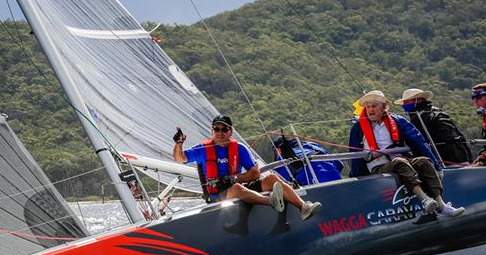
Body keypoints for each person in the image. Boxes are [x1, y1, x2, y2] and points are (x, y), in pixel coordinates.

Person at [173, 114, 322, 220]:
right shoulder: (202, 149)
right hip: (217, 195)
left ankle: (304, 207)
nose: (220, 133)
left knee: (271, 178)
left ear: (230, 131)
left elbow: (255, 173)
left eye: (224, 129)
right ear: (212, 131)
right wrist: (179, 143)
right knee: (237, 189)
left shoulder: (239, 148)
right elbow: (180, 158)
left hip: (237, 184)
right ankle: (272, 201)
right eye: (216, 129)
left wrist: (234, 178)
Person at [349, 90, 464, 218]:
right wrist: (356, 179)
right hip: (378, 166)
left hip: (399, 160)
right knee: (400, 162)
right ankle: (425, 199)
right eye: (368, 107)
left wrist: (437, 166)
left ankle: (441, 204)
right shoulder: (358, 127)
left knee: (423, 161)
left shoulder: (397, 121)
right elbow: (354, 153)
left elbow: (418, 141)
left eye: (374, 106)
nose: (370, 110)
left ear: (383, 108)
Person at [395, 88, 472, 165]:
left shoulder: (419, 117)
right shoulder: (438, 112)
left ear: (418, 100)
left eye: (406, 102)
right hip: (462, 157)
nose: (404, 105)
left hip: (445, 160)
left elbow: (417, 141)